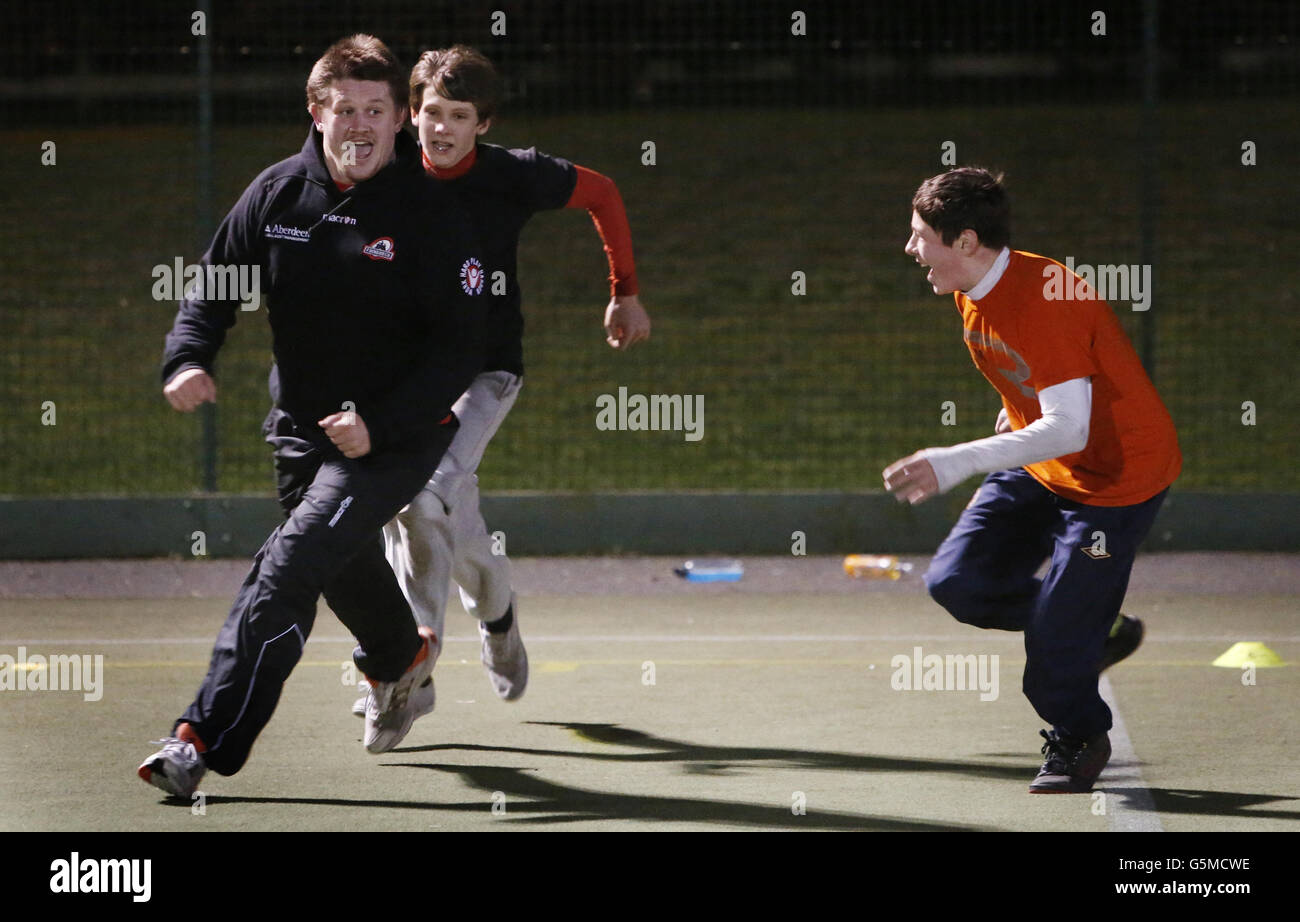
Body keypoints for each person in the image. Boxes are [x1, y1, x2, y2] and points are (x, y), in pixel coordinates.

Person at [138, 34, 485, 798]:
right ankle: (402, 658)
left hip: (397, 438)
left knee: (290, 566)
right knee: (338, 564)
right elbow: (211, 291)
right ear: (316, 111)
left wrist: (382, 423)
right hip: (300, 431)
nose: (359, 125)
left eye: (376, 110)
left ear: (400, 119)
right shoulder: (275, 194)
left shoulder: (432, 214)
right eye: (344, 109)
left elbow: (460, 350)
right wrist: (187, 358)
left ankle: (199, 740)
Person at [351, 45, 651, 717]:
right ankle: (498, 620)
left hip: (485, 371)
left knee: (419, 498)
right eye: (432, 112)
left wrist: (624, 293)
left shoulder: (513, 175)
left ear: (482, 125)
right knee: (448, 515)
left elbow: (602, 193)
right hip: (405, 379)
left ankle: (409, 674)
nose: (442, 128)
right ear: (411, 114)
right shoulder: (386, 168)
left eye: (460, 116)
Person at [883, 167, 1180, 794]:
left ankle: (1078, 734)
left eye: (919, 236)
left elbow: (1071, 428)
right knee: (958, 584)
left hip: (1114, 481)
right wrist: (1017, 409)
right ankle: (1086, 628)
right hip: (1042, 465)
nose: (911, 249)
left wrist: (954, 459)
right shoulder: (970, 284)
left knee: (1049, 662)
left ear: (965, 241)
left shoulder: (1046, 297)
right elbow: (1034, 379)